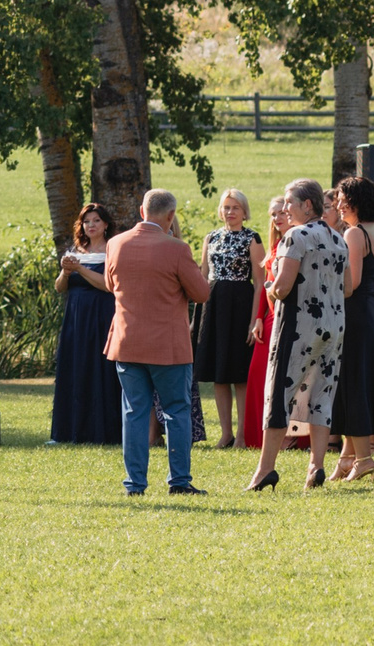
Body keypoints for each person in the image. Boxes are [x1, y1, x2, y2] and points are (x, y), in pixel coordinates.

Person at [104, 189, 210, 496]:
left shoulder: (115, 244)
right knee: (177, 412)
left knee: (134, 413)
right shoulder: (176, 248)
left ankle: (134, 484)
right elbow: (201, 293)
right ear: (171, 216)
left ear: (141, 211)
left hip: (127, 342)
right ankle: (179, 481)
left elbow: (112, 286)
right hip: (168, 346)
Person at [248, 179, 349, 490]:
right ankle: (316, 467)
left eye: (289, 203)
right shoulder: (338, 238)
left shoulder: (296, 236)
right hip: (334, 325)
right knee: (322, 394)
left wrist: (269, 287)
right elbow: (346, 286)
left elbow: (283, 286)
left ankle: (266, 469)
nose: (285, 209)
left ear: (307, 205)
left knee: (279, 394)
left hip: (298, 326)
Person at [48, 204, 121, 445]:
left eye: (96, 221)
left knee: (100, 368)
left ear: (105, 225)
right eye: (87, 221)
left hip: (101, 315)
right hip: (76, 318)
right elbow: (60, 288)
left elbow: (107, 285)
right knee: (75, 367)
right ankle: (69, 430)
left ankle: (103, 431)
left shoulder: (111, 250)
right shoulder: (75, 250)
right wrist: (66, 272)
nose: (91, 225)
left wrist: (79, 268)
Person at [329, 176, 374, 481]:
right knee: (359, 380)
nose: (338, 204)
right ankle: (347, 457)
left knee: (353, 383)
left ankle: (364, 458)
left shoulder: (354, 234)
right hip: (372, 311)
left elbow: (349, 285)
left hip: (355, 313)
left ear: (353, 202)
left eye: (341, 199)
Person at [195, 191, 261, 448]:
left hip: (240, 305)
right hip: (213, 305)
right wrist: (196, 316)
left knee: (238, 373)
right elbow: (202, 274)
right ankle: (225, 433)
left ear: (244, 211)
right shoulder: (210, 237)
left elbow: (258, 283)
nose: (230, 212)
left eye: (235, 207)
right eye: (226, 207)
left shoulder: (252, 238)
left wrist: (254, 318)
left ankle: (243, 434)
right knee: (218, 374)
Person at [240, 194, 294, 450]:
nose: (277, 217)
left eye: (281, 212)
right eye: (273, 214)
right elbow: (264, 287)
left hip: (291, 317)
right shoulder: (275, 246)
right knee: (257, 373)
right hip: (270, 318)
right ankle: (256, 437)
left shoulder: (296, 242)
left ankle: (292, 437)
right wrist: (259, 317)